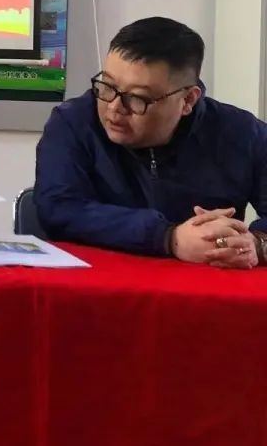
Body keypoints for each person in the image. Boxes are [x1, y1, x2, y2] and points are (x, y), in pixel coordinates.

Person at [35, 17, 267, 269]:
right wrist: (168, 238)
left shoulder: (242, 133)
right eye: (107, 86)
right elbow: (58, 209)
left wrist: (256, 244)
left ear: (188, 100)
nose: (114, 107)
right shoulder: (73, 122)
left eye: (137, 97)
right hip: (100, 281)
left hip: (206, 285)